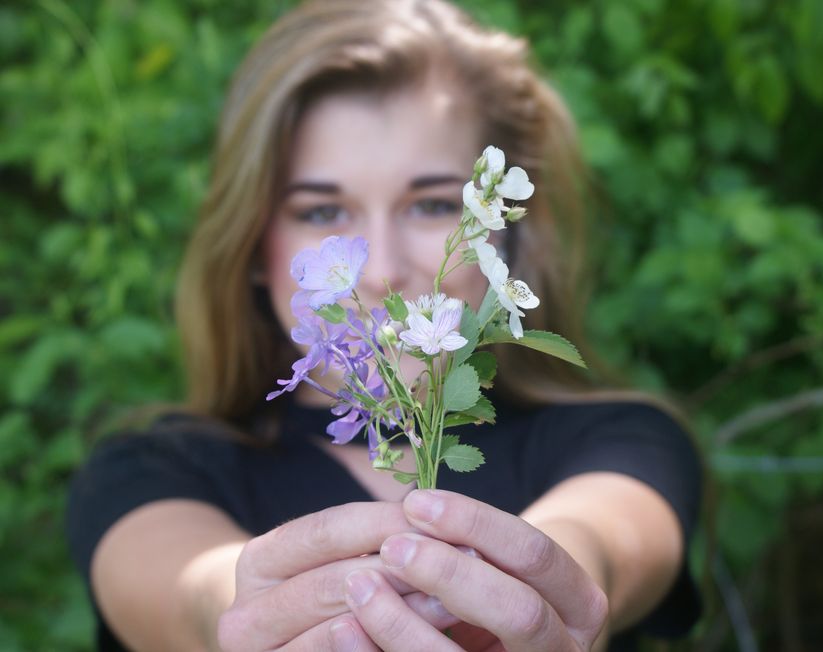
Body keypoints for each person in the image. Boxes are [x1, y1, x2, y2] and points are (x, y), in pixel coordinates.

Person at [66, 1, 702, 650]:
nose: (381, 270)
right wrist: (243, 617)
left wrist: (542, 593)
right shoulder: (152, 471)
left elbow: (595, 547)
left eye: (430, 204)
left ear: (507, 230)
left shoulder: (618, 442)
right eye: (320, 212)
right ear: (253, 245)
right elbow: (193, 597)